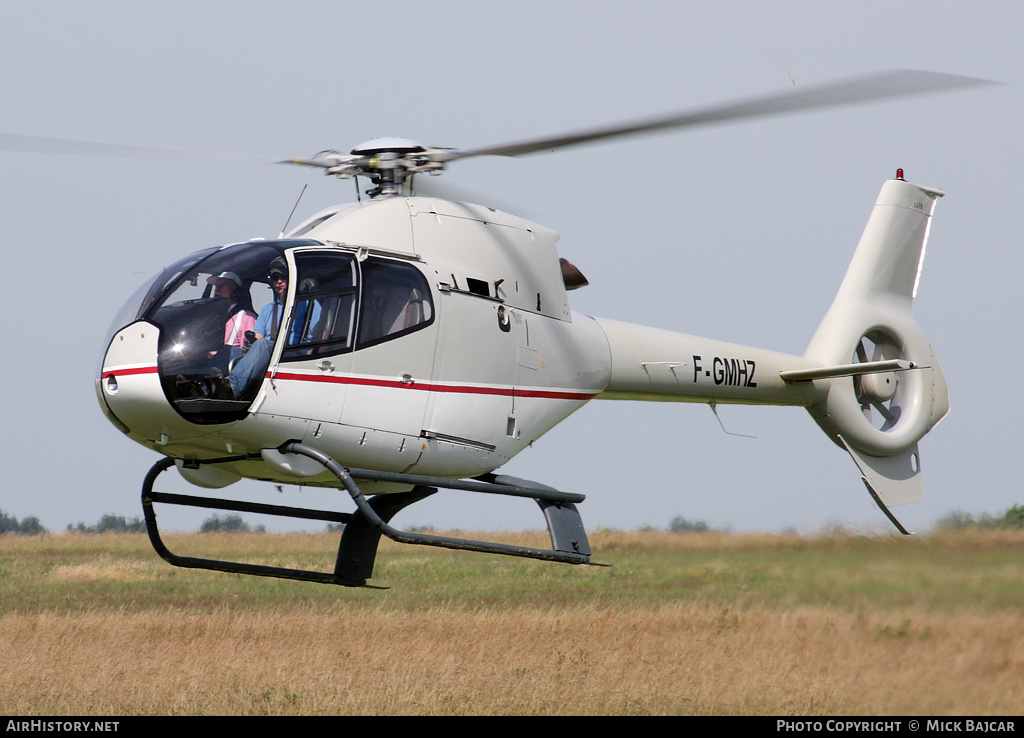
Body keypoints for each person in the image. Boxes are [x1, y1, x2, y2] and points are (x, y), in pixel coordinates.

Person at [212, 259, 318, 400]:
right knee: (229, 350)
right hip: (269, 354)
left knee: (263, 344)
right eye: (275, 278)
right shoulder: (268, 309)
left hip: (291, 354)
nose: (279, 281)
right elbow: (258, 337)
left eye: (283, 277)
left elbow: (320, 335)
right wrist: (249, 343)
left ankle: (232, 387)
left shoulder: (310, 305)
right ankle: (203, 386)